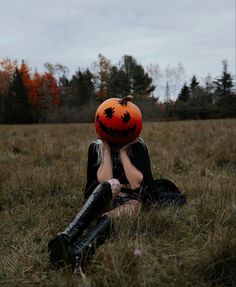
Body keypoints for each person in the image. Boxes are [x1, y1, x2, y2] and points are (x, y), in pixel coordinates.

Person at [48, 135, 154, 268]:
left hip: (131, 200)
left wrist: (123, 152)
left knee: (133, 205)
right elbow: (106, 180)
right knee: (113, 183)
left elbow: (135, 183)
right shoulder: (96, 147)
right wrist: (106, 149)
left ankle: (81, 250)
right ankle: (67, 236)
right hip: (104, 199)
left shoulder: (137, 146)